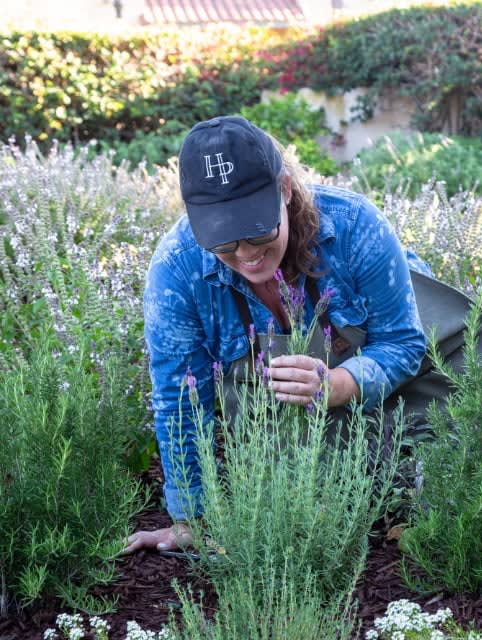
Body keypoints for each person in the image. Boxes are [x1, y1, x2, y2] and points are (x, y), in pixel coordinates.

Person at [124, 115, 428, 554]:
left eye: (257, 232)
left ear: (284, 189)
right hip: (282, 408)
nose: (246, 255)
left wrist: (339, 386)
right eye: (223, 243)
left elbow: (403, 342)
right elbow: (180, 399)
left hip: (375, 381)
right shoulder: (176, 269)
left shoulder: (356, 227)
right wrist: (191, 516)